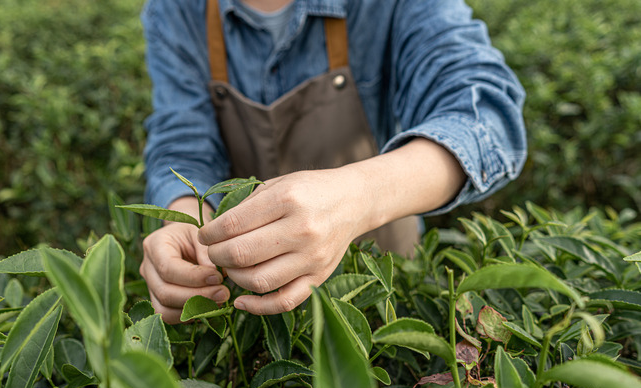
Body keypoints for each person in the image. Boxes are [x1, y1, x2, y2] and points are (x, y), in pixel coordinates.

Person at [139, 0, 526, 324]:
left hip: (385, 289)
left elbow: (487, 118)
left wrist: (359, 195)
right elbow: (182, 143)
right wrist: (187, 220)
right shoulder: (176, 9)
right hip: (248, 304)